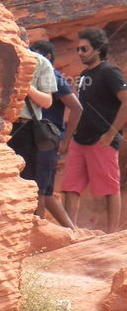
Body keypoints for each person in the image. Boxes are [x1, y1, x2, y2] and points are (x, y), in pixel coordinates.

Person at [59, 28, 127, 233]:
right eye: (78, 49)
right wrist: (69, 139)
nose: (79, 53)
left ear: (97, 49)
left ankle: (112, 234)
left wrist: (111, 133)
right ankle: (71, 231)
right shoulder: (84, 75)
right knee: (70, 187)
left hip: (102, 139)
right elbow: (79, 107)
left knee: (109, 188)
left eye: (84, 49)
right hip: (80, 140)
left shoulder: (110, 72)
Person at [30, 40, 82, 228]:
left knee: (39, 191)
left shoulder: (53, 76)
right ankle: (72, 231)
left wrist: (65, 140)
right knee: (47, 192)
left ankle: (39, 234)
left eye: (35, 54)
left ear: (47, 57)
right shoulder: (39, 76)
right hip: (42, 137)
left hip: (47, 138)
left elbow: (77, 108)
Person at [6, 47, 57, 214]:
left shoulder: (40, 63)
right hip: (1, 126)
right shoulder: (1, 54)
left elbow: (47, 102)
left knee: (27, 177)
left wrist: (27, 87)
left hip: (25, 127)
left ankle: (30, 222)